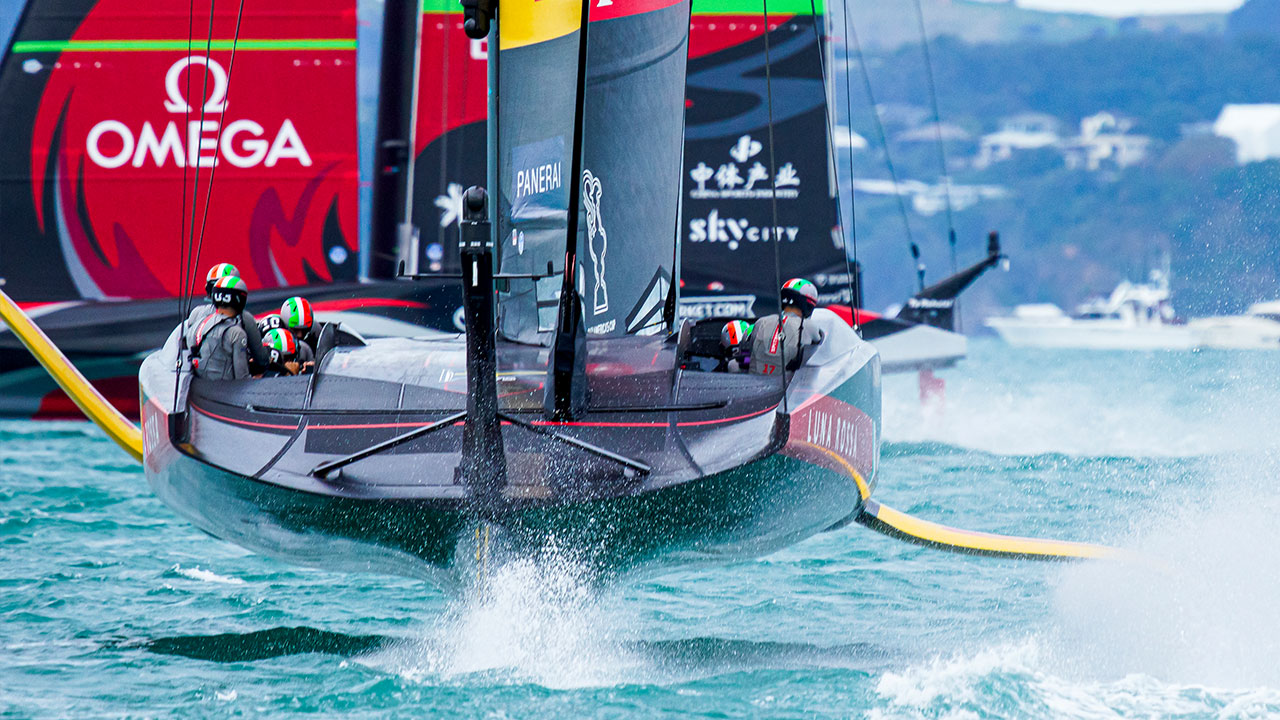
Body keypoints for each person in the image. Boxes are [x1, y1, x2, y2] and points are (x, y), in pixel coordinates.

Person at [749, 278, 823, 376]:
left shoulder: (761, 322)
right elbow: (821, 350)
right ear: (808, 304)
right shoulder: (810, 327)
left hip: (753, 384)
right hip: (788, 388)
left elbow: (750, 349)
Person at [188, 276, 251, 380]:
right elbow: (242, 378)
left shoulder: (197, 324)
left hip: (196, 388)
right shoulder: (237, 333)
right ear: (240, 300)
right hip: (225, 392)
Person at [280, 296, 316, 367]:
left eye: (304, 330)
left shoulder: (316, 331)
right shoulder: (276, 336)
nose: (300, 335)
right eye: (295, 330)